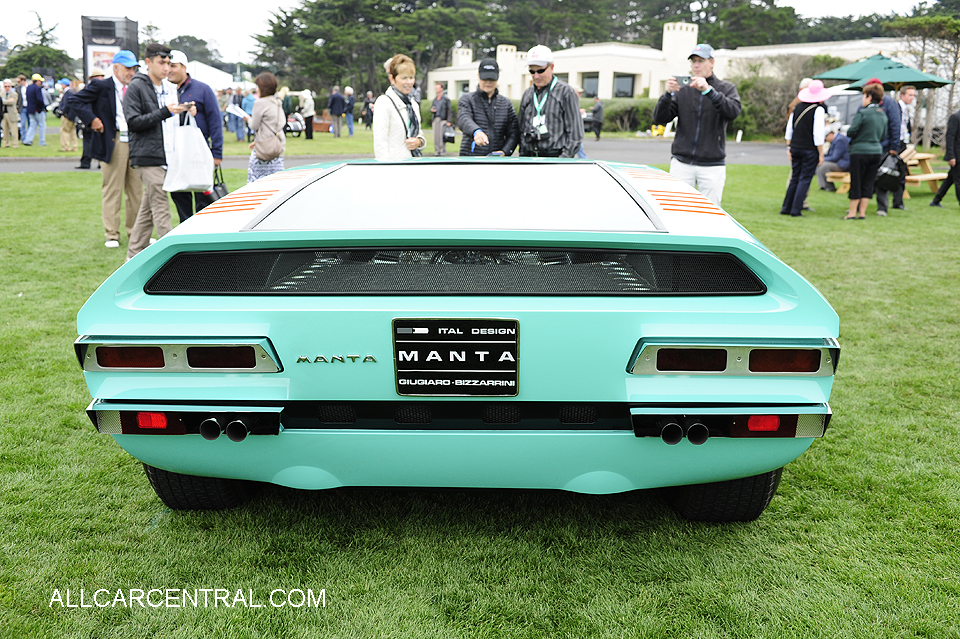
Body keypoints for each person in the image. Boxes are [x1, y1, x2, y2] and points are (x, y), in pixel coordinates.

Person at [68, 51, 143, 248]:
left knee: (136, 190)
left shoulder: (136, 86)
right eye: (127, 68)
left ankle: (136, 233)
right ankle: (112, 234)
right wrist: (91, 119)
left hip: (135, 141)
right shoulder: (102, 85)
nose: (131, 72)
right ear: (116, 68)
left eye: (133, 68)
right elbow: (74, 101)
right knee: (113, 189)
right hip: (114, 140)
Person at [124, 43, 192, 260]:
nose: (166, 68)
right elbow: (133, 121)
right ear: (148, 62)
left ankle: (132, 256)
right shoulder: (137, 86)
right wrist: (165, 112)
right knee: (161, 207)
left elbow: (166, 119)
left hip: (164, 156)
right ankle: (172, 262)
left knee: (146, 212)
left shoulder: (167, 87)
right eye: (162, 63)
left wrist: (182, 110)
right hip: (146, 156)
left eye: (169, 63)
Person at [652, 43, 742, 206]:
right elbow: (660, 118)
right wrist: (667, 95)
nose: (696, 65)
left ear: (712, 63)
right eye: (693, 61)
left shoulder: (725, 88)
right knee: (677, 210)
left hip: (712, 165)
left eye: (701, 61)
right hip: (682, 163)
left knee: (711, 212)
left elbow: (733, 111)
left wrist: (709, 91)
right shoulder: (683, 89)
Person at [166, 50, 223, 222]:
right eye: (167, 65)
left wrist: (217, 153)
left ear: (183, 67)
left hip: (198, 152)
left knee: (202, 196)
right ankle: (185, 227)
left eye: (173, 66)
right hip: (174, 152)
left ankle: (201, 229)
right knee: (178, 193)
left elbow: (215, 121)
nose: (169, 70)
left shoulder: (202, 89)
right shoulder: (166, 91)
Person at [517, 45, 583, 158]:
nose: (536, 76)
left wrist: (563, 160)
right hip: (529, 158)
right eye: (532, 71)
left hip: (555, 158)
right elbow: (521, 128)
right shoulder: (528, 94)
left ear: (551, 67)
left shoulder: (565, 92)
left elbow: (575, 134)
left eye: (540, 71)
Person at [780, 80, 829, 217]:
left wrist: (789, 146)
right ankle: (796, 209)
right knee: (805, 178)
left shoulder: (798, 107)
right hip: (809, 149)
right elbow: (817, 134)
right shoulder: (818, 110)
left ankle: (786, 207)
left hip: (795, 147)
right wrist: (821, 153)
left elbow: (790, 129)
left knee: (795, 177)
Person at [457, 58, 519, 157]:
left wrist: (505, 151)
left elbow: (514, 132)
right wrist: (476, 131)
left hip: (497, 160)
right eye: (484, 78)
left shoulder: (506, 103)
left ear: (498, 77)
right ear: (478, 76)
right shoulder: (467, 99)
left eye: (492, 79)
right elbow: (464, 119)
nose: (488, 82)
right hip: (470, 159)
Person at [843, 83, 888, 220]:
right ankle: (862, 213)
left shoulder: (862, 113)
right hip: (876, 152)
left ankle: (852, 213)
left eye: (864, 96)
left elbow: (852, 131)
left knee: (856, 181)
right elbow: (883, 136)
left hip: (860, 151)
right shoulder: (883, 115)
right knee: (868, 183)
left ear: (869, 97)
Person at [859, 78, 902, 216]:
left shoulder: (889, 103)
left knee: (883, 176)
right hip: (866, 146)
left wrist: (894, 147)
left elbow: (895, 125)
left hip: (884, 146)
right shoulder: (864, 103)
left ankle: (882, 207)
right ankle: (859, 205)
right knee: (863, 176)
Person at [373, 54, 426, 160]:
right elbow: (380, 144)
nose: (409, 82)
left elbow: (419, 133)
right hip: (394, 168)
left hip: (414, 163)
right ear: (392, 79)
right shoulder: (384, 102)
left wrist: (419, 142)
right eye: (404, 78)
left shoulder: (413, 104)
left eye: (411, 77)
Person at [875, 84, 916, 213]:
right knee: (888, 172)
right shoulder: (895, 106)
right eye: (910, 95)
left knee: (901, 172)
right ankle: (886, 203)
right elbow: (894, 126)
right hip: (895, 144)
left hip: (903, 143)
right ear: (901, 95)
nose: (912, 98)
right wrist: (894, 145)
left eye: (913, 96)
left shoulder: (907, 109)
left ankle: (898, 202)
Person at [243, 71, 286, 182]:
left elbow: (254, 125)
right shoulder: (277, 102)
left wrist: (248, 119)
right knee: (276, 184)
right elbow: (280, 123)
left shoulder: (260, 103)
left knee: (257, 185)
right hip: (276, 146)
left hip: (263, 149)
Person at [931, 106, 960, 208]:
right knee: (958, 180)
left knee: (951, 178)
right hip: (957, 155)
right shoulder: (955, 117)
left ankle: (936, 200)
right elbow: (950, 136)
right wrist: (951, 156)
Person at [76, 69, 105, 169]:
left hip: (89, 119)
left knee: (88, 142)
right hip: (96, 119)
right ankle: (100, 162)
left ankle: (86, 162)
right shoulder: (104, 89)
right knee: (99, 142)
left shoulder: (88, 89)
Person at [816, 127, 851, 192]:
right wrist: (820, 157)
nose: (826, 140)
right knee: (819, 164)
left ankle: (830, 187)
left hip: (843, 164)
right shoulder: (836, 139)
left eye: (825, 138)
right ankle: (823, 186)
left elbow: (835, 157)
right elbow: (831, 155)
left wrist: (822, 159)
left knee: (823, 166)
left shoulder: (840, 140)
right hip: (838, 162)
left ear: (830, 134)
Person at [23, 74, 48, 146]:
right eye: (40, 81)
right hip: (37, 109)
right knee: (42, 125)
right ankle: (42, 141)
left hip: (30, 109)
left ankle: (28, 140)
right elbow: (39, 99)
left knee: (32, 125)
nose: (40, 82)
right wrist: (43, 107)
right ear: (37, 81)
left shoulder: (28, 87)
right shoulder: (37, 88)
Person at [430, 82, 452, 156]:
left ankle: (443, 150)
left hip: (443, 119)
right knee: (436, 136)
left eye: (437, 88)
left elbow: (449, 110)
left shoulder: (446, 99)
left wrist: (449, 121)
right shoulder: (435, 99)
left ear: (442, 89)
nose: (436, 89)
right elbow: (432, 107)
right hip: (436, 118)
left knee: (442, 136)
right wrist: (432, 110)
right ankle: (437, 150)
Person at [57, 79, 79, 152]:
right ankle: (74, 146)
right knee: (73, 131)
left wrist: (65, 113)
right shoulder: (71, 92)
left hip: (67, 115)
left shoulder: (68, 93)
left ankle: (65, 146)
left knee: (64, 130)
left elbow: (67, 104)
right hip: (72, 114)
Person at [1, 79, 19, 148]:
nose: (7, 88)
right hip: (3, 114)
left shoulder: (14, 94)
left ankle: (15, 144)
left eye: (8, 86)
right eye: (5, 86)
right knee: (5, 130)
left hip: (11, 114)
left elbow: (12, 102)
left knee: (14, 130)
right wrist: (6, 101)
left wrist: (4, 101)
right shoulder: (1, 94)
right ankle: (6, 143)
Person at [17, 76, 28, 143]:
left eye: (19, 81)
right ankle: (23, 138)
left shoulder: (28, 87)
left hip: (29, 107)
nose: (18, 83)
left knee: (30, 123)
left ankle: (28, 138)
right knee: (23, 123)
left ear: (23, 80)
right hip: (22, 108)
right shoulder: (17, 88)